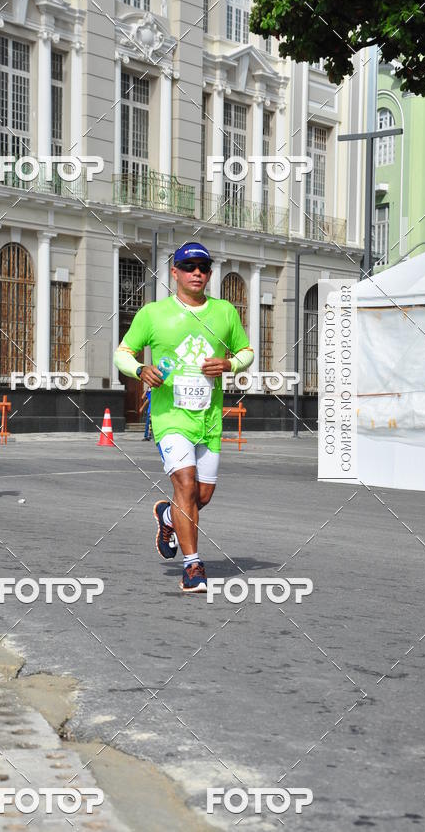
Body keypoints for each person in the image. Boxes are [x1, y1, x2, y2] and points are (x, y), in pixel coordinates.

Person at [114, 243, 254, 592]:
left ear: (209, 273)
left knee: (201, 497)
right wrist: (140, 369)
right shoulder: (153, 314)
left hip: (209, 419)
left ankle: (167, 516)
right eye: (189, 267)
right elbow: (123, 353)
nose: (197, 273)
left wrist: (230, 363)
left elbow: (247, 351)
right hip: (170, 417)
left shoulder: (224, 312)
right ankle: (192, 567)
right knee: (186, 486)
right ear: (174, 272)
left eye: (203, 267)